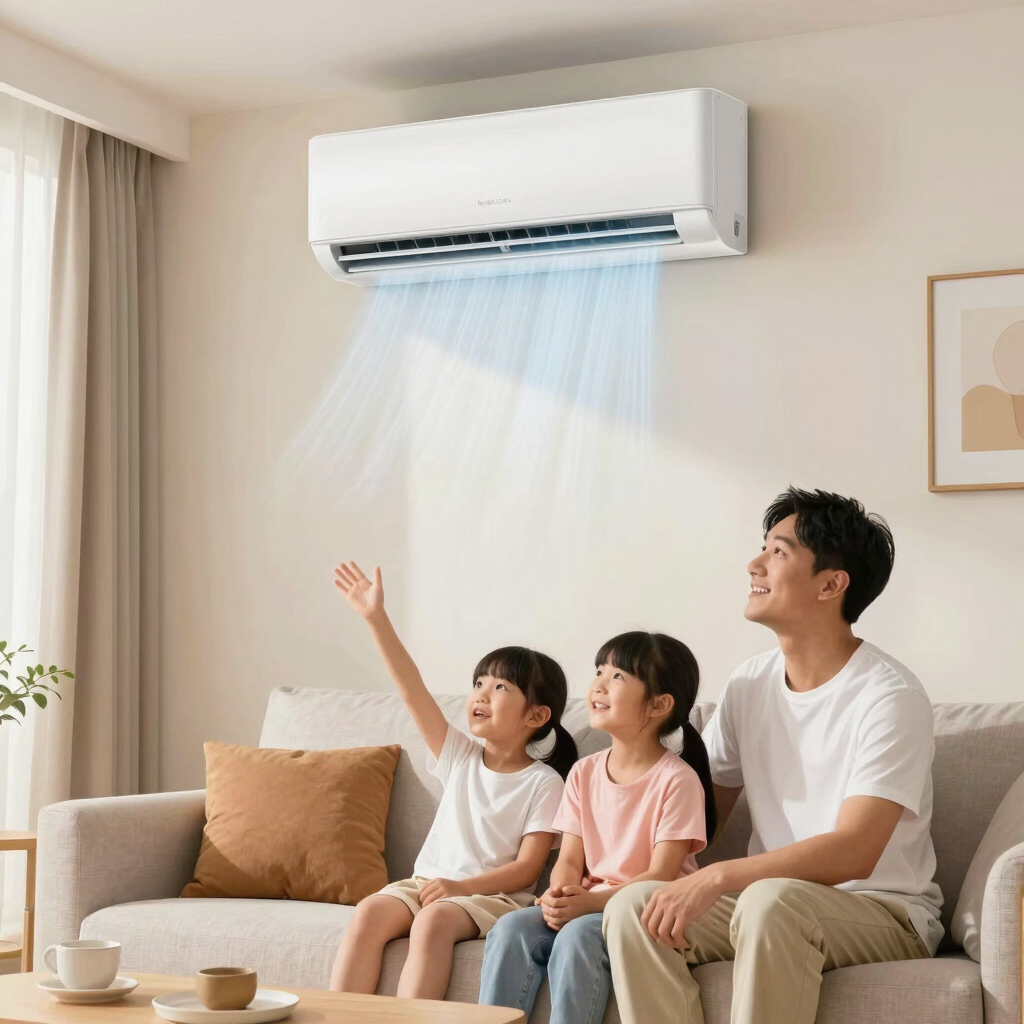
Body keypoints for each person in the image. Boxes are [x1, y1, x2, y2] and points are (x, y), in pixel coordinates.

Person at [603, 487, 942, 1024]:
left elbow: (856, 850)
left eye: (778, 552)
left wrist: (719, 877)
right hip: (770, 903)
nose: (754, 563)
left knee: (770, 901)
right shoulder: (750, 683)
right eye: (763, 547)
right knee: (631, 909)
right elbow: (695, 815)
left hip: (881, 909)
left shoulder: (889, 696)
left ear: (831, 584)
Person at [329, 560, 577, 1000]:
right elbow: (411, 690)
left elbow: (525, 868)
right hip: (425, 883)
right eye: (479, 682)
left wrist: (458, 888)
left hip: (491, 897)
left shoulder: (544, 783)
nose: (480, 693)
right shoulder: (459, 756)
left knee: (433, 921)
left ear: (537, 716)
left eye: (500, 688)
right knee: (367, 913)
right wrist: (376, 618)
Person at [479, 631, 716, 1024]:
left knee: (577, 936)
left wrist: (590, 904)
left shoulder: (678, 780)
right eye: (599, 671)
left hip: (643, 909)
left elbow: (661, 875)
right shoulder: (583, 772)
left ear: (659, 704)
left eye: (618, 676)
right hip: (588, 900)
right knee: (509, 930)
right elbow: (570, 858)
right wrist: (559, 893)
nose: (599, 685)